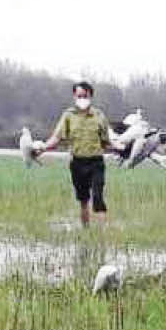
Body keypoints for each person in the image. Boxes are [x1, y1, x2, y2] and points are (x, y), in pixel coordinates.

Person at [40, 81, 114, 227]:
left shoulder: (99, 116)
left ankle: (102, 233)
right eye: (79, 95)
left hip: (96, 162)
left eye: (85, 95)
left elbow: (107, 142)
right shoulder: (68, 115)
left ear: (90, 96)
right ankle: (86, 231)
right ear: (74, 96)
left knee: (98, 197)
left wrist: (123, 148)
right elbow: (57, 137)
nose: (82, 98)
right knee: (83, 200)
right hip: (77, 163)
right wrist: (42, 148)